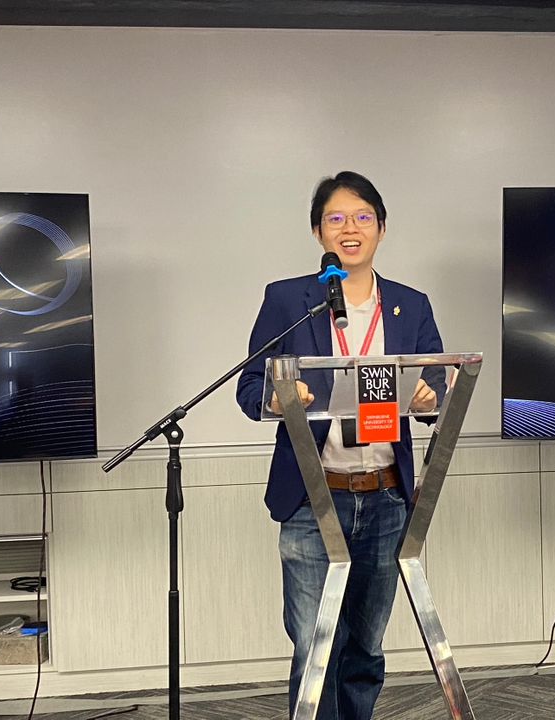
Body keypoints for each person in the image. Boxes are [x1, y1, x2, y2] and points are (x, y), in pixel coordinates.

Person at [236, 171, 444, 719]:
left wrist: (429, 396)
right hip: (313, 497)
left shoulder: (410, 305)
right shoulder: (289, 300)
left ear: (381, 228)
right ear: (318, 232)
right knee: (314, 647)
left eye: (362, 217)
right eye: (336, 218)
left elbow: (438, 383)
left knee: (365, 648)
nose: (350, 228)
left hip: (386, 498)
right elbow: (250, 385)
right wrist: (279, 398)